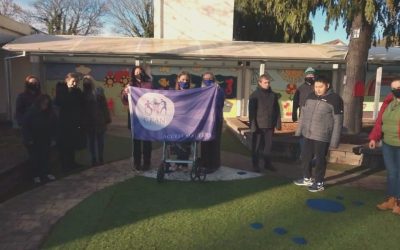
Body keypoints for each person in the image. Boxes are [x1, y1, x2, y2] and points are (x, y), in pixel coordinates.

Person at [293, 75, 343, 192]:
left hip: (322, 135)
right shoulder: (310, 96)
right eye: (316, 87)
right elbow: (303, 115)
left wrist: (334, 141)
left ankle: (319, 182)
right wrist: (299, 131)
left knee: (320, 160)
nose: (318, 89)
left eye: (320, 87)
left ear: (327, 86)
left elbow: (338, 121)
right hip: (307, 134)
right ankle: (307, 178)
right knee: (305, 157)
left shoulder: (335, 99)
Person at [369, 79, 400, 215]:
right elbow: (379, 122)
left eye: (398, 87)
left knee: (398, 174)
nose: (396, 90)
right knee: (392, 173)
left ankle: (398, 202)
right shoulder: (388, 102)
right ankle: (391, 200)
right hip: (388, 143)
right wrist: (374, 138)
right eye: (393, 88)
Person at [121, 66, 153, 170]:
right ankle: (137, 163)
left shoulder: (149, 84)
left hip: (147, 117)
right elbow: (125, 101)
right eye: (136, 72)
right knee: (136, 142)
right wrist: (125, 93)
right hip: (135, 117)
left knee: (147, 141)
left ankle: (147, 162)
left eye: (140, 72)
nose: (138, 74)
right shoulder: (130, 85)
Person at [248, 74, 281, 173]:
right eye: (265, 82)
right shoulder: (254, 95)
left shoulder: (273, 95)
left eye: (268, 82)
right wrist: (253, 126)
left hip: (270, 125)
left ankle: (267, 164)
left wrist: (278, 123)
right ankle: (255, 165)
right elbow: (251, 112)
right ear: (260, 83)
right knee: (256, 147)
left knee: (268, 146)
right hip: (258, 126)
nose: (267, 84)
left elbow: (277, 110)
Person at [22, 94, 57, 184]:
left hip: (45, 138)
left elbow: (52, 125)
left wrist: (52, 137)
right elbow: (26, 126)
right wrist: (28, 138)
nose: (45, 106)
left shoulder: (48, 113)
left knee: (45, 156)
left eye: (46, 104)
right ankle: (36, 175)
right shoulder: (32, 112)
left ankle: (46, 173)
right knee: (35, 158)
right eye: (43, 104)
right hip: (34, 139)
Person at [55, 72, 84, 170]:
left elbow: (80, 105)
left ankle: (72, 163)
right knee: (64, 145)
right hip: (63, 122)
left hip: (74, 122)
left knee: (72, 144)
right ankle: (64, 165)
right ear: (67, 80)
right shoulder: (61, 90)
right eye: (73, 81)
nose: (75, 84)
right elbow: (60, 103)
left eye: (76, 82)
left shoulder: (77, 92)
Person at [82, 75, 111, 166]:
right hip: (89, 121)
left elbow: (104, 106)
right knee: (91, 142)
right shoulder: (83, 94)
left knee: (100, 141)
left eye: (88, 81)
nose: (87, 83)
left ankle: (100, 158)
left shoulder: (98, 91)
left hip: (99, 120)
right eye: (85, 82)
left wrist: (107, 119)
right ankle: (93, 158)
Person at [200, 72, 225, 173]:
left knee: (214, 143)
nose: (208, 81)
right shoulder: (201, 90)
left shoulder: (219, 90)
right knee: (204, 142)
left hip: (215, 120)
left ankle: (213, 164)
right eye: (205, 79)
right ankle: (204, 162)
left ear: (213, 79)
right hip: (204, 121)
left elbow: (219, 104)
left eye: (210, 79)